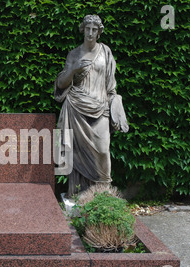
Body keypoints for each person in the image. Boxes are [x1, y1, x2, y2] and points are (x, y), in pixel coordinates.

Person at [55, 14, 128, 197]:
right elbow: (61, 84)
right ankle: (79, 194)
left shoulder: (106, 52)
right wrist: (73, 69)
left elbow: (111, 85)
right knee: (77, 155)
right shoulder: (74, 54)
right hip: (76, 107)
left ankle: (103, 194)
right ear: (83, 29)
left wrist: (115, 103)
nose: (90, 33)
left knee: (103, 150)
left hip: (100, 107)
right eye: (87, 29)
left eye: (94, 30)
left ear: (99, 32)